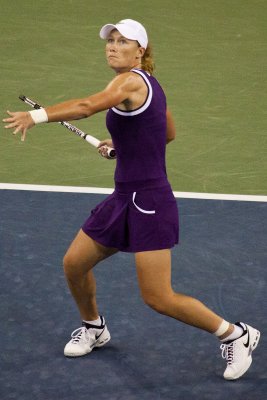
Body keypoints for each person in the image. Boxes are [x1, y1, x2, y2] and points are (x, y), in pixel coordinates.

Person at [3, 19, 260, 380]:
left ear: (140, 51)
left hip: (151, 202)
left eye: (123, 41)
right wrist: (122, 146)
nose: (113, 46)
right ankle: (94, 327)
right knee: (74, 264)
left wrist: (36, 115)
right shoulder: (150, 85)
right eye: (110, 40)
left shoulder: (130, 81)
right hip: (123, 197)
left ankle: (237, 334)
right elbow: (167, 131)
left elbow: (85, 106)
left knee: (158, 297)